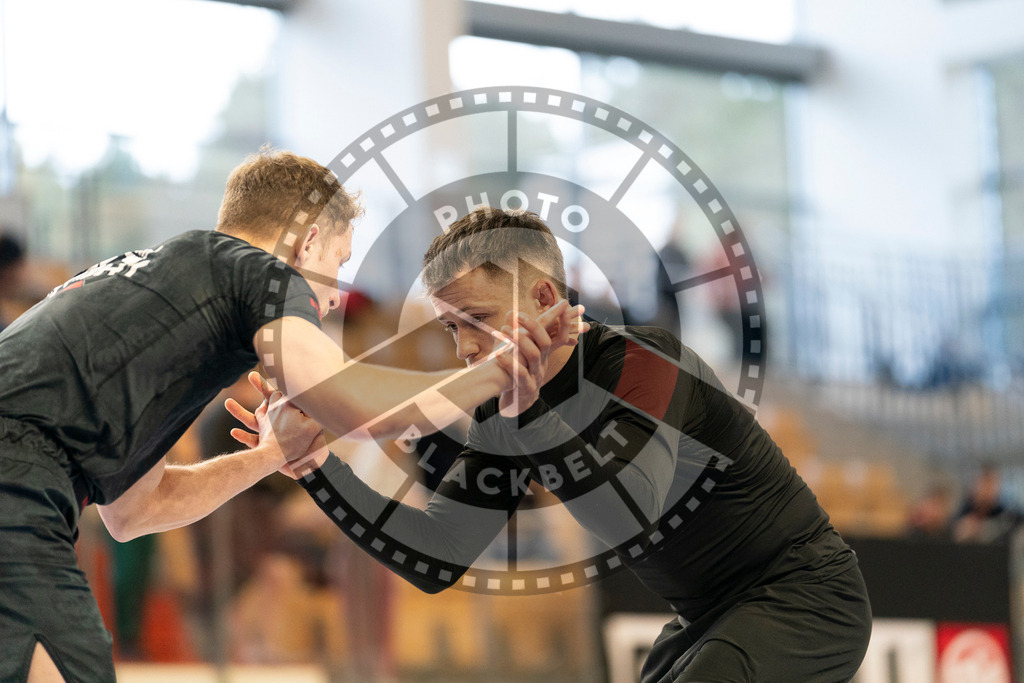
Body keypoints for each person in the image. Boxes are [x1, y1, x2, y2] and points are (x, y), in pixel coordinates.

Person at [0, 150, 581, 682]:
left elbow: (136, 511)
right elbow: (353, 405)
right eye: (337, 262)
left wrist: (271, 456)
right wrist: (501, 369)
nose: (330, 298)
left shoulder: (161, 295)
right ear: (305, 242)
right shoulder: (259, 271)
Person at [243, 207, 872, 682]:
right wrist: (319, 468)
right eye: (450, 327)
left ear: (545, 298)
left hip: (805, 596)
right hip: (708, 615)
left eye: (477, 323)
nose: (463, 350)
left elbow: (635, 513)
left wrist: (530, 419)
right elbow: (438, 556)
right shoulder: (504, 405)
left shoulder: (643, 362)